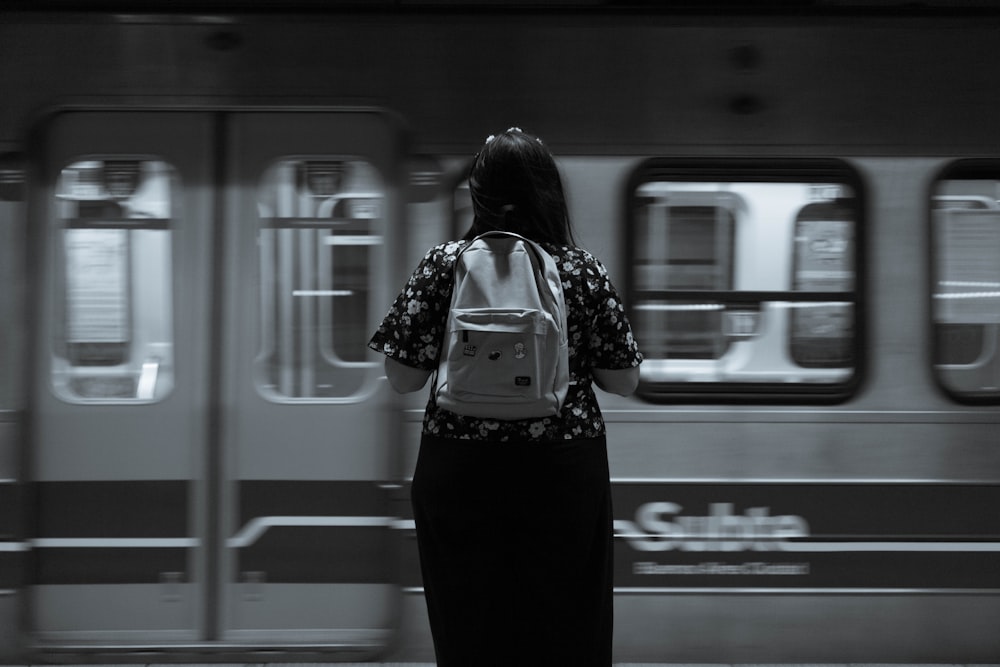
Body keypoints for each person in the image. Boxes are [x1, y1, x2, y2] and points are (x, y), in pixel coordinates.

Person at [368, 128, 642, 666]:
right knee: (566, 627)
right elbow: (624, 380)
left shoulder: (442, 265)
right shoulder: (580, 269)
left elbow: (401, 377)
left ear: (477, 192)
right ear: (550, 192)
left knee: (469, 624)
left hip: (461, 470)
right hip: (561, 472)